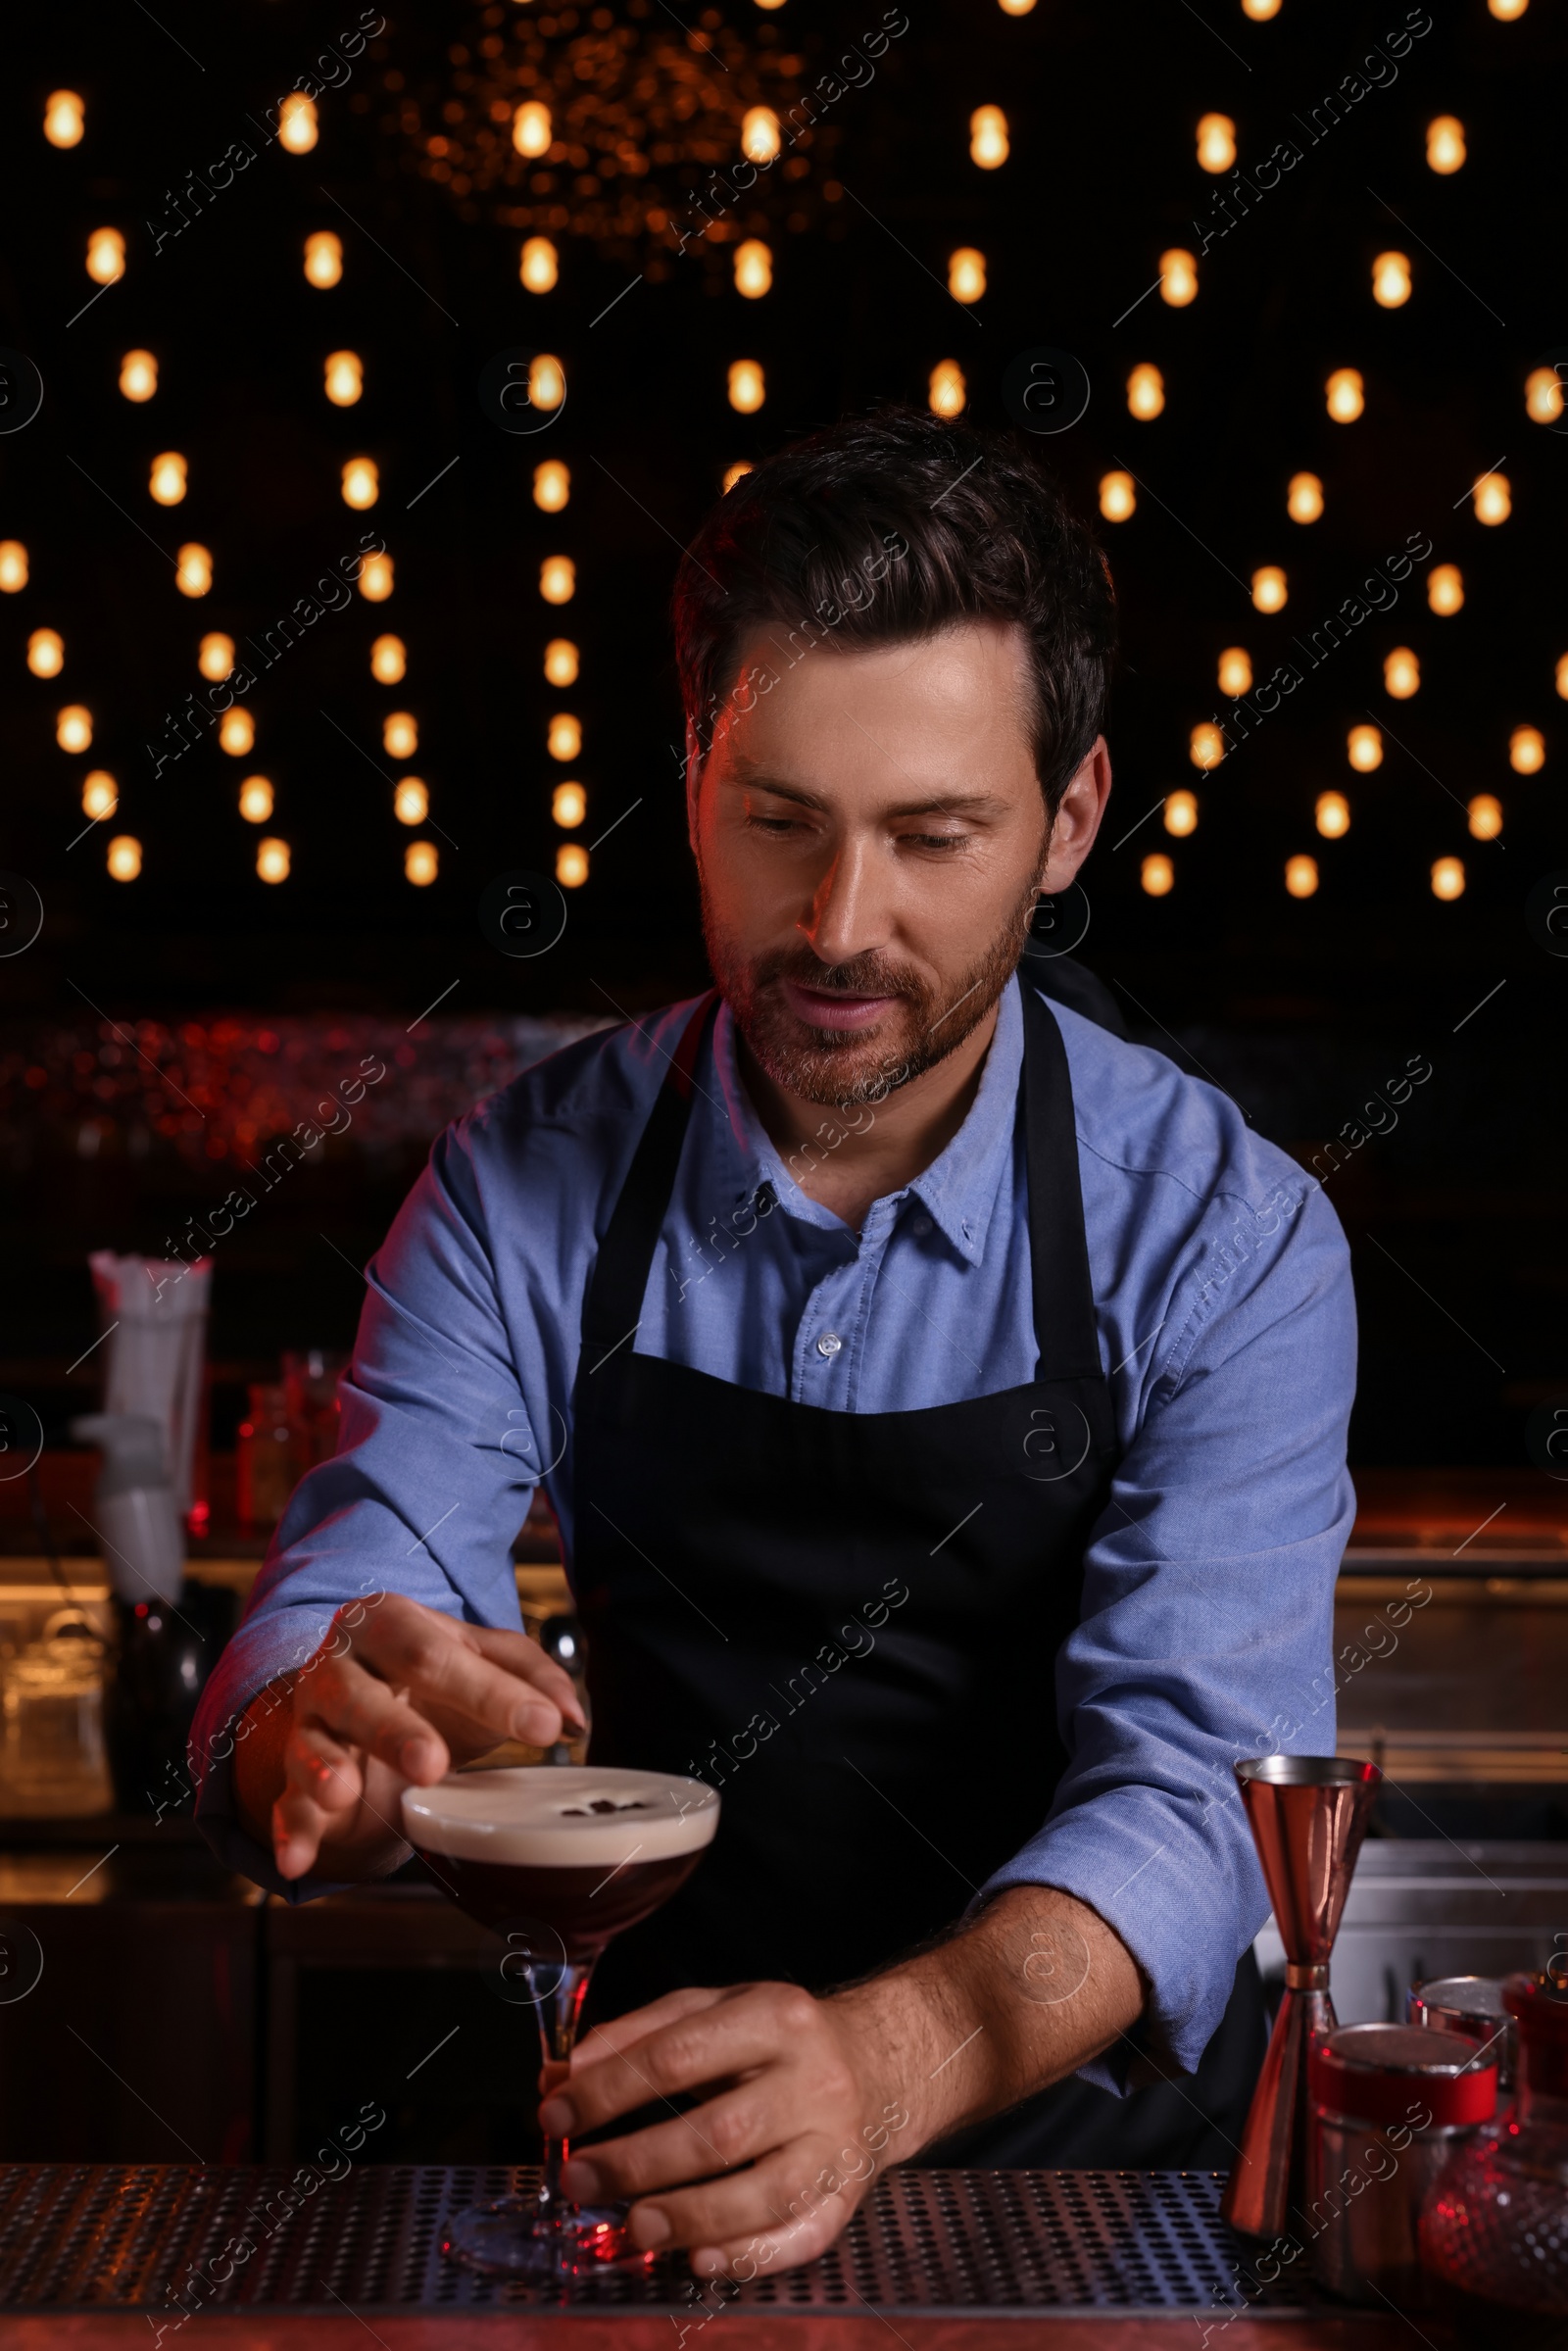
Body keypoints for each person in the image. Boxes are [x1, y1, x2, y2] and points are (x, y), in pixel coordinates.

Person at [191, 407, 1355, 2283]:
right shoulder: (525, 1182)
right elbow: (364, 1572)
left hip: (1098, 2210)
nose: (837, 926)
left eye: (933, 836)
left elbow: (1196, 1796)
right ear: (695, 772)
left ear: (1069, 822)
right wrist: (302, 1724)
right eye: (778, 823)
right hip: (647, 2161)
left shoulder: (1230, 1237)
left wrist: (894, 2061)